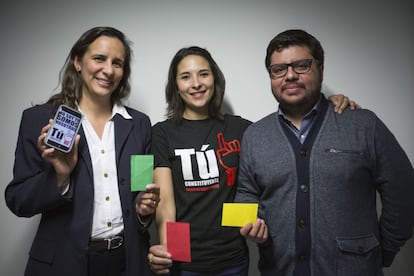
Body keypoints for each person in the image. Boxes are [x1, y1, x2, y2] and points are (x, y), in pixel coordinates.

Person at [146, 46, 358, 275]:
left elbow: (286, 130)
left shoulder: (242, 129)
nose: (196, 83)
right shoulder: (162, 133)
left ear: (214, 79)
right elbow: (166, 203)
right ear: (176, 86)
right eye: (185, 77)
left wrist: (327, 104)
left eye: (203, 74)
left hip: (233, 259)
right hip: (184, 260)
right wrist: (170, 252)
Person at [234, 29, 414, 276]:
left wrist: (383, 250)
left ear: (320, 68)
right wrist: (248, 222)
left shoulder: (362, 125)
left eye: (301, 65)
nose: (289, 76)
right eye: (279, 69)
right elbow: (246, 192)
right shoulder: (255, 135)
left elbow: (404, 190)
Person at [4, 26, 160, 276]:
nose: (108, 70)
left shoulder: (139, 124)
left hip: (127, 262)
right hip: (63, 263)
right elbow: (18, 200)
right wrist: (60, 177)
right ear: (77, 62)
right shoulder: (40, 120)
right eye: (99, 58)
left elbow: (141, 192)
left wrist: (143, 211)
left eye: (117, 63)